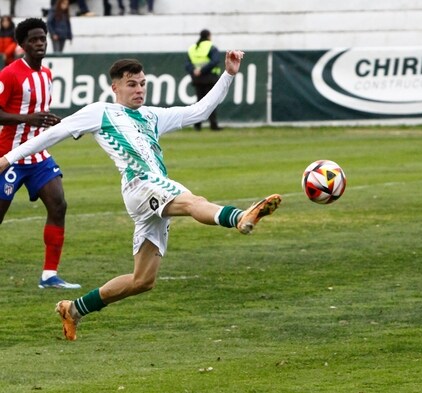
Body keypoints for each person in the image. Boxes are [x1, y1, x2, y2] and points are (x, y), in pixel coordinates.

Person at [0, 52, 282, 340]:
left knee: (143, 280)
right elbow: (52, 135)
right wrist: (8, 159)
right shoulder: (100, 111)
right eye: (132, 84)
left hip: (153, 188)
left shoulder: (152, 115)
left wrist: (229, 74)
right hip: (140, 185)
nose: (139, 90)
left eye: (142, 84)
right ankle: (238, 217)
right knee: (193, 201)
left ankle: (73, 310)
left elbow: (201, 111)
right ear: (116, 88)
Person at [0, 18, 80, 289]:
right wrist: (27, 118)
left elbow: (39, 114)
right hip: (9, 156)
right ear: (22, 44)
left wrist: (50, 121)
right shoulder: (9, 74)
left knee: (59, 205)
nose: (40, 43)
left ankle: (49, 275)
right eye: (33, 39)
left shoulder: (46, 75)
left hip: (38, 156)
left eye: (42, 38)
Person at [185, 29, 223, 131]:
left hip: (197, 79)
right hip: (209, 78)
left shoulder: (193, 48)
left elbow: (187, 64)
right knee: (211, 102)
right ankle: (213, 125)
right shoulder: (211, 47)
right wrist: (203, 70)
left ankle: (197, 125)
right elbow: (215, 61)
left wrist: (195, 71)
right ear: (209, 36)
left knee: (199, 102)